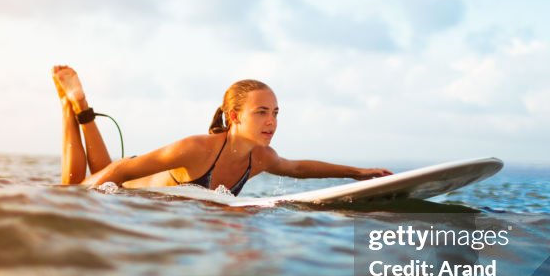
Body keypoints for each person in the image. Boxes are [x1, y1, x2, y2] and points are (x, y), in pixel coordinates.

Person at [52, 65, 393, 194]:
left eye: (275, 113)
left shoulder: (260, 158)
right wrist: (78, 198)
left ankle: (81, 106)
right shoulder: (196, 148)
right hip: (130, 186)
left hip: (126, 180)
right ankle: (69, 106)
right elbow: (121, 170)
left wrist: (355, 172)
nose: (271, 122)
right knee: (74, 185)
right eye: (261, 112)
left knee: (99, 172)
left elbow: (297, 168)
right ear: (234, 115)